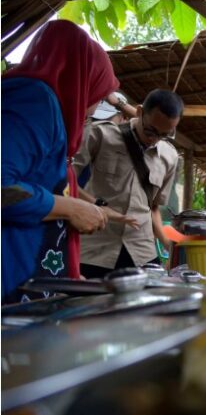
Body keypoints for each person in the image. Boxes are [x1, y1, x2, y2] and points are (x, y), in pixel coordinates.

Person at [2, 20, 120, 299]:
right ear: (82, 79)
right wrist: (69, 208)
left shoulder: (48, 110)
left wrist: (66, 274)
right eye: (99, 93)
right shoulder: (34, 102)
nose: (95, 106)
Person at [74, 89, 182, 278]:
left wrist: (166, 243)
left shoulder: (169, 156)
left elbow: (154, 207)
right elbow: (65, 180)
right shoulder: (102, 136)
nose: (154, 139)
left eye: (164, 135)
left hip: (141, 252)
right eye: (150, 131)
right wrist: (95, 205)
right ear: (139, 112)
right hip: (95, 248)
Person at [78, 92, 138, 187]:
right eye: (95, 119)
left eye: (106, 120)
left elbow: (151, 122)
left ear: (124, 118)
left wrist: (119, 103)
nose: (98, 125)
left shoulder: (132, 146)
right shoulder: (83, 141)